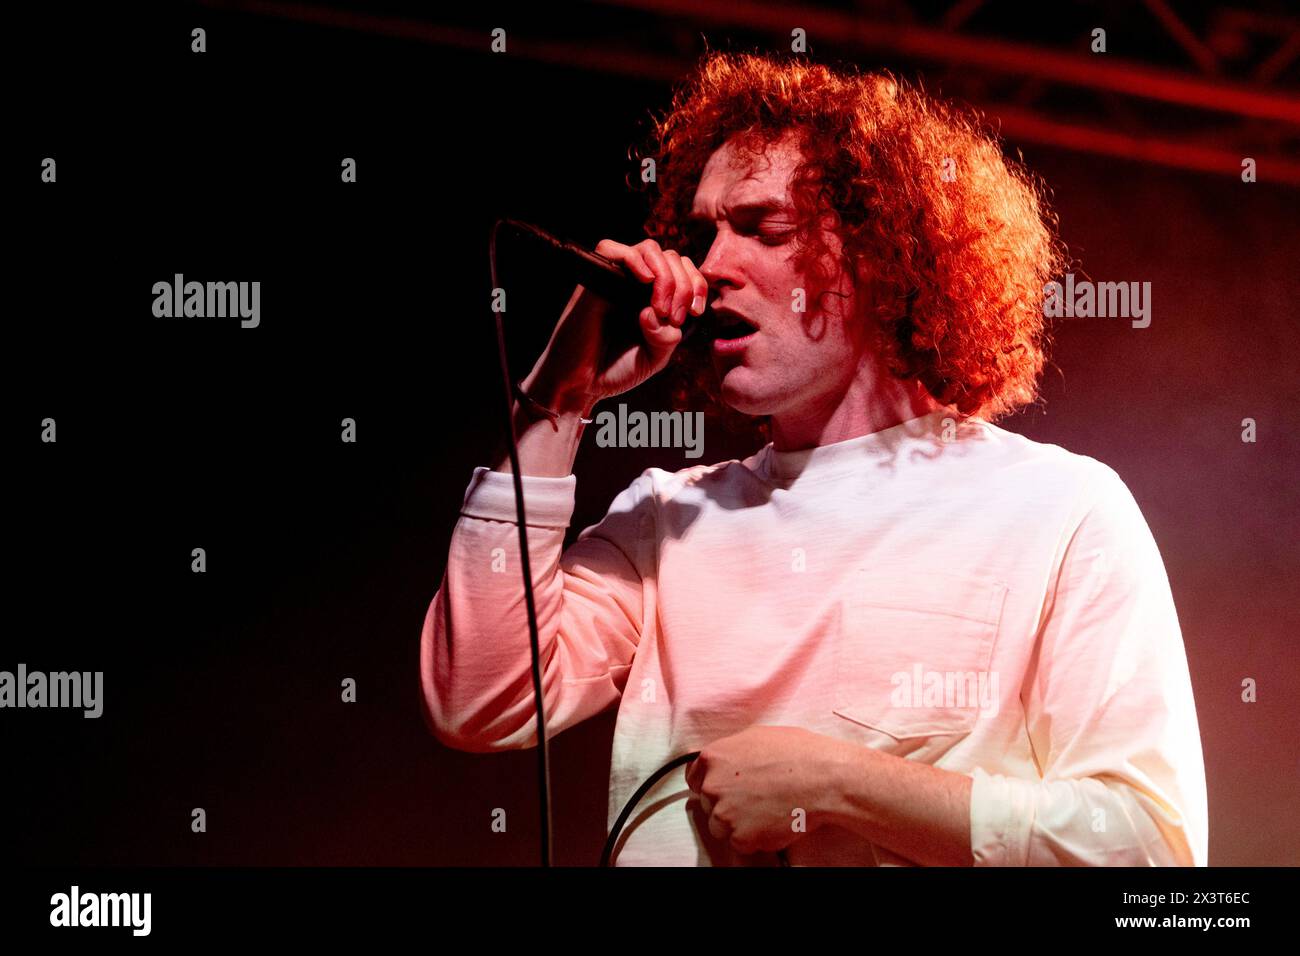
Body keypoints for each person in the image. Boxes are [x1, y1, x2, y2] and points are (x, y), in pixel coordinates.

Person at [419, 52, 1208, 866]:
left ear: (881, 252)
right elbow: (479, 699)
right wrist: (562, 393)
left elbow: (1148, 849)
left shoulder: (1060, 509)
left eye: (763, 228)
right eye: (705, 233)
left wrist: (838, 783)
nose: (712, 265)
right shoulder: (668, 521)